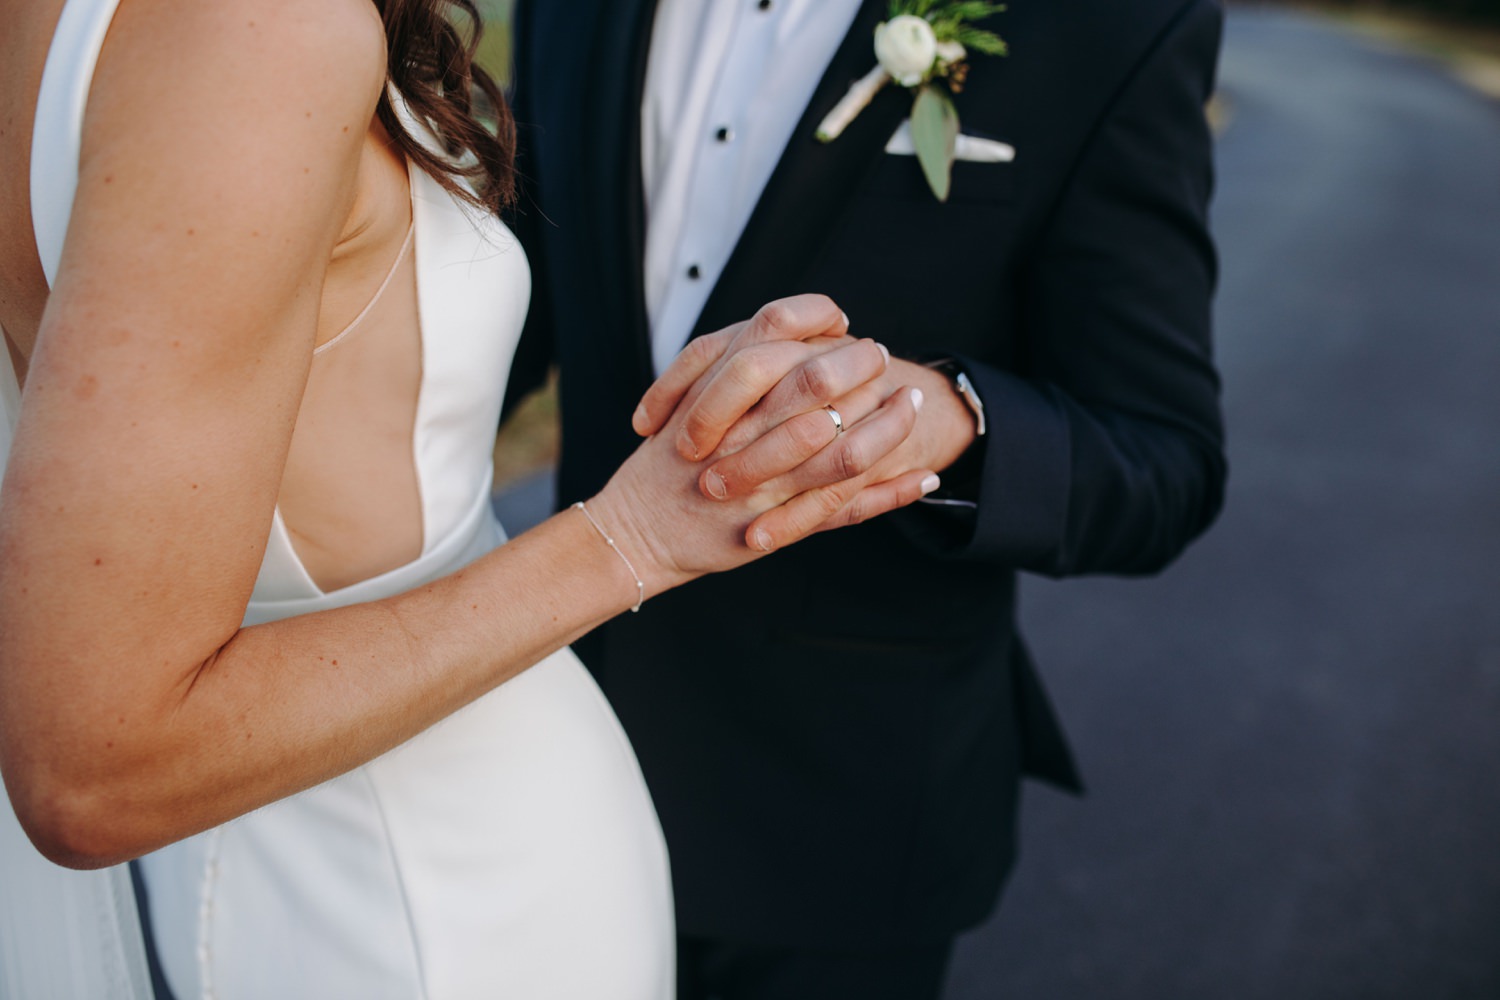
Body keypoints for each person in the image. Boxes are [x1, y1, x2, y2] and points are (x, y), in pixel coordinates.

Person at [0, 0, 939, 996]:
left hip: (258, 858)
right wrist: (633, 536)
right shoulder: (257, 31)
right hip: (436, 892)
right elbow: (96, 770)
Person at [507, 0, 1228, 997]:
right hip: (537, 761)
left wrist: (960, 422)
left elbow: (1165, 459)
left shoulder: (1113, 25)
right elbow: (509, 295)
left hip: (839, 818)